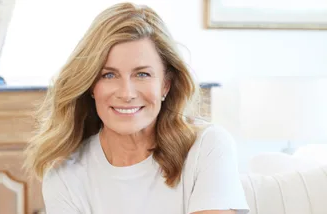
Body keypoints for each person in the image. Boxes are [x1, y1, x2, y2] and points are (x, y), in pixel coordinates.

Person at [24, 2, 250, 214]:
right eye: (109, 74)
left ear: (165, 85)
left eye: (142, 74)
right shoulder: (65, 176)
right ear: (91, 85)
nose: (126, 93)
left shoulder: (207, 147)